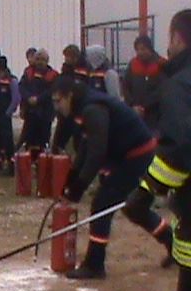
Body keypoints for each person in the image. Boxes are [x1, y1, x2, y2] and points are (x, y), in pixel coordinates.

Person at [126, 10, 191, 291]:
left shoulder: (180, 84)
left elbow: (181, 149)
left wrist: (146, 190)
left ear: (178, 39)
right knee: (188, 265)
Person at [53, 76, 171, 279]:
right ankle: (174, 244)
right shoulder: (83, 107)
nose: (57, 107)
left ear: (69, 96)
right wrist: (71, 181)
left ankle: (94, 264)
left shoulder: (93, 108)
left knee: (102, 203)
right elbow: (85, 147)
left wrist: (79, 187)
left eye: (58, 101)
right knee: (135, 208)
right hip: (126, 156)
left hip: (138, 155)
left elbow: (97, 152)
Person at [19, 49, 59, 158]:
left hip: (45, 112)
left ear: (47, 61)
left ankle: (42, 162)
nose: (40, 62)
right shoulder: (28, 72)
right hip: (30, 111)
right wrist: (28, 98)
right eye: (37, 59)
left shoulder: (53, 74)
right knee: (29, 138)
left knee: (43, 139)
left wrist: (38, 99)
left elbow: (52, 91)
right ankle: (30, 161)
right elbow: (22, 87)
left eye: (42, 60)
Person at [123, 35, 168, 133]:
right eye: (137, 49)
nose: (140, 52)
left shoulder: (161, 64)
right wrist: (132, 105)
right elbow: (125, 86)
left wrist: (144, 106)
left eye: (143, 49)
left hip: (155, 116)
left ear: (150, 48)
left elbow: (163, 89)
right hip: (135, 114)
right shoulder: (133, 65)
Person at [52, 44, 91, 152]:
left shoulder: (84, 69)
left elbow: (84, 87)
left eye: (68, 56)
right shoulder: (66, 69)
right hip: (66, 108)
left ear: (75, 57)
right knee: (59, 139)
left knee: (78, 139)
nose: (66, 59)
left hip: (79, 108)